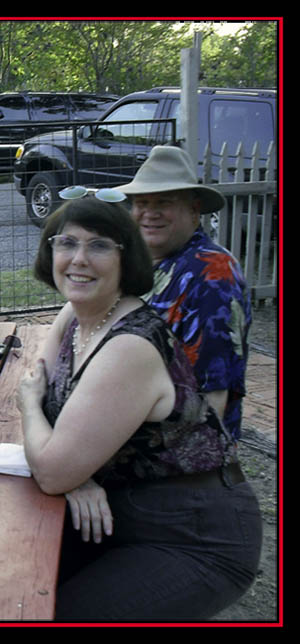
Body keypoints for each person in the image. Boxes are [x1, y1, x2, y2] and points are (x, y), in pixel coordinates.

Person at [17, 196, 262, 621]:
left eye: (98, 246)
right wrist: (80, 475)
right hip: (121, 513)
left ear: (126, 259)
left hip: (195, 537)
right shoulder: (76, 316)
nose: (79, 259)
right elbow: (46, 395)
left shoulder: (129, 346)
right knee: (12, 574)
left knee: (59, 615)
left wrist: (30, 412)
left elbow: (50, 458)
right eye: (67, 243)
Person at [115, 145, 252, 441]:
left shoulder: (213, 274)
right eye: (142, 202)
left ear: (193, 210)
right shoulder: (147, 263)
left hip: (175, 455)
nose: (150, 213)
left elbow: (212, 397)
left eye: (164, 202)